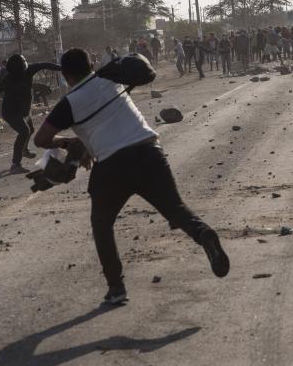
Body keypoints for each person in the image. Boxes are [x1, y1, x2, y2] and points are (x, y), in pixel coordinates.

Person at [33, 48, 230, 305]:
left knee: (102, 225)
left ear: (66, 75)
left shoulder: (69, 102)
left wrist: (67, 141)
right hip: (149, 151)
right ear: (91, 64)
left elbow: (41, 139)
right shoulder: (109, 79)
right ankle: (203, 233)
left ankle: (116, 288)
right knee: (176, 209)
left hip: (113, 165)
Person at [0, 54, 62, 173]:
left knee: (30, 129)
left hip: (24, 110)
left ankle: (23, 150)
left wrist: (61, 67)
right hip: (11, 112)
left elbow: (45, 64)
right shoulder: (10, 77)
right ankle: (15, 164)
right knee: (24, 132)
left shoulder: (27, 70)